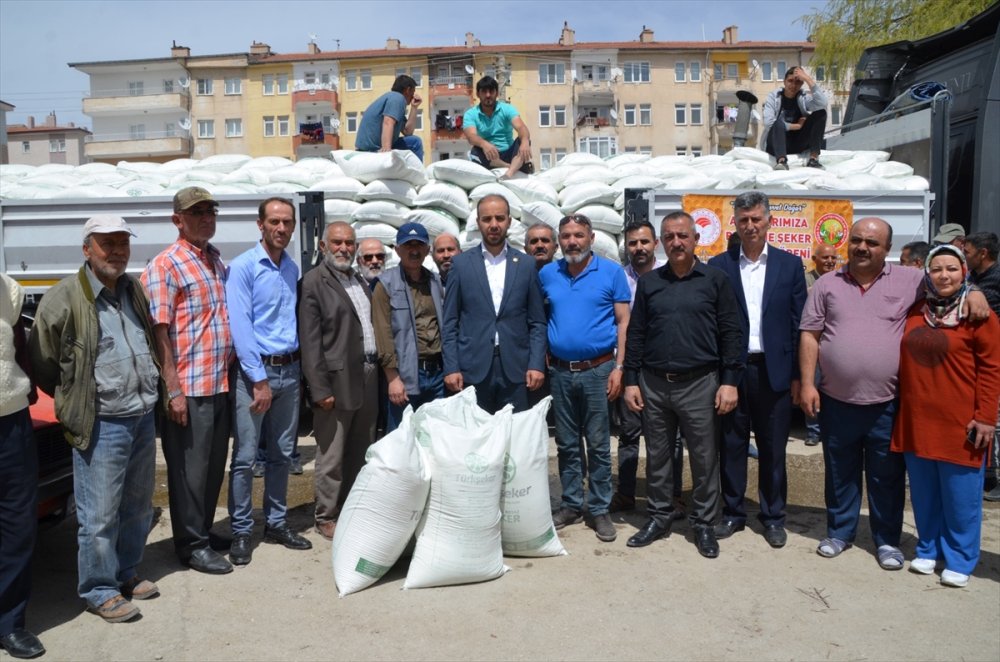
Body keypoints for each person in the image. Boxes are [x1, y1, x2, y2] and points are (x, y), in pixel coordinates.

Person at [798, 217, 988, 569]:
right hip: (836, 399)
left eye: (872, 243)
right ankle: (840, 532)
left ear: (887, 250)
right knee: (840, 472)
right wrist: (808, 383)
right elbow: (810, 334)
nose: (862, 247)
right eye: (857, 240)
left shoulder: (910, 280)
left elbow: (949, 280)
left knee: (886, 476)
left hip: (888, 403)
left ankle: (887, 541)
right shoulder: (827, 284)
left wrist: (974, 290)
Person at [30, 215, 160, 622]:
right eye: (108, 243)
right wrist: (76, 401)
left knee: (137, 505)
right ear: (87, 249)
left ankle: (125, 572)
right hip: (101, 422)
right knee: (99, 513)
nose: (118, 251)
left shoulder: (133, 288)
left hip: (141, 415)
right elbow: (44, 364)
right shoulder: (65, 297)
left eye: (123, 242)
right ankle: (98, 589)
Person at [623, 211, 743, 558]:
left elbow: (730, 333)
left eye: (683, 236)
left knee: (704, 459)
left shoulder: (715, 280)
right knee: (658, 456)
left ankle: (704, 524)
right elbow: (637, 334)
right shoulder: (650, 283)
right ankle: (659, 517)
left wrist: (729, 382)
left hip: (700, 384)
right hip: (655, 384)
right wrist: (632, 380)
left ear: (696, 239)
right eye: (670, 237)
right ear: (662, 242)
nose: (677, 242)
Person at [891, 245, 1000, 587]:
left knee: (961, 497)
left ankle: (960, 557)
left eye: (951, 268)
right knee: (924, 493)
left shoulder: (979, 315)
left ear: (965, 271)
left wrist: (985, 417)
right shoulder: (916, 310)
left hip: (961, 422)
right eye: (936, 269)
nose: (944, 275)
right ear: (927, 273)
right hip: (917, 418)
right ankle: (928, 547)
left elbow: (992, 369)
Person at [143, 187, 234, 575]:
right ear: (177, 219)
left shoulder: (214, 260)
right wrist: (173, 390)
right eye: (196, 213)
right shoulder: (167, 265)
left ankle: (202, 530)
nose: (206, 218)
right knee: (188, 471)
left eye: (210, 211)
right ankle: (191, 544)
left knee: (213, 466)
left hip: (219, 382)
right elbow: (159, 332)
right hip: (190, 387)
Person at [708, 192, 807, 549]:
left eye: (756, 219)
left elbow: (799, 325)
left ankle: (773, 517)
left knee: (773, 448)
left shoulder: (790, 266)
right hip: (734, 373)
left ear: (769, 222)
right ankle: (733, 512)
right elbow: (713, 326)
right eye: (744, 220)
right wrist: (723, 378)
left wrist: (799, 376)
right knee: (731, 445)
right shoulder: (719, 266)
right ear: (734, 222)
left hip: (774, 372)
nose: (750, 226)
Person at [224, 198, 312, 566]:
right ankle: (242, 530)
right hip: (255, 374)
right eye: (274, 221)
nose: (281, 228)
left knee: (281, 455)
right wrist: (258, 380)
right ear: (259, 225)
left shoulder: (291, 268)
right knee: (245, 457)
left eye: (287, 222)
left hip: (289, 372)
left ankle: (276, 523)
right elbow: (241, 327)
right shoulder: (243, 268)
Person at [539, 213, 630, 543]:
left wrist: (620, 368)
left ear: (591, 238)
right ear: (559, 241)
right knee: (565, 442)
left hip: (599, 370)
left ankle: (600, 507)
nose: (572, 241)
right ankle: (571, 503)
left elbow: (623, 323)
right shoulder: (549, 274)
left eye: (578, 235)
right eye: (566, 236)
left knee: (598, 443)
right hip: (561, 372)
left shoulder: (610, 272)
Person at [298, 222, 378, 541]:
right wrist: (319, 389)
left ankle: (352, 507)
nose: (344, 248)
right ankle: (326, 514)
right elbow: (311, 341)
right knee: (331, 451)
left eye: (349, 243)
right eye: (337, 242)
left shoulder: (358, 278)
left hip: (366, 376)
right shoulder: (314, 283)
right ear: (322, 246)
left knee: (361, 448)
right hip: (335, 381)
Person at [442, 195, 547, 414]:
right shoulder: (461, 265)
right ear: (478, 222)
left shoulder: (526, 265)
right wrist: (451, 367)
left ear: (509, 221)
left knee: (514, 437)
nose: (493, 225)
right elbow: (450, 322)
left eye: (499, 218)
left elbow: (537, 322)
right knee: (477, 440)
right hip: (473, 369)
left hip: (516, 369)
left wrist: (536, 364)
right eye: (487, 219)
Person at [1, 274, 45, 658]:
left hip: (12, 422)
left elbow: (19, 350)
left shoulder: (9, 290)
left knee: (17, 525)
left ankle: (10, 623)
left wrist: (29, 392)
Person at [610, 220, 666, 513]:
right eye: (633, 243)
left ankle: (669, 497)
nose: (639, 248)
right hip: (630, 367)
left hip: (662, 368)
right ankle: (626, 493)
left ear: (655, 243)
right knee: (629, 434)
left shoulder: (669, 275)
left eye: (644, 242)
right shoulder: (619, 278)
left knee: (667, 436)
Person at [373, 223, 445, 432]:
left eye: (419, 245)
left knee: (434, 437)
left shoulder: (435, 282)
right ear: (397, 250)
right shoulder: (385, 284)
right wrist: (392, 378)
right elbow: (383, 334)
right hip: (405, 376)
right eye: (408, 246)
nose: (414, 251)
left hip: (437, 374)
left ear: (427, 250)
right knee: (401, 439)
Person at [963, 231, 1000, 501]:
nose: (965, 256)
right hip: (978, 361)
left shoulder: (995, 280)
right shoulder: (975, 279)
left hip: (993, 359)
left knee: (995, 422)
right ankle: (987, 473)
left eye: (968, 252)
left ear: (982, 253)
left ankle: (994, 477)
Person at [803, 243, 839, 445]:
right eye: (825, 258)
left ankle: (830, 428)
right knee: (813, 385)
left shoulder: (841, 279)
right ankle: (813, 430)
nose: (830, 262)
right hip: (813, 343)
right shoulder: (806, 280)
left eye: (833, 258)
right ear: (814, 260)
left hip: (834, 344)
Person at [463, 75, 533, 179]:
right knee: (475, 151)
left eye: (491, 91)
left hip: (509, 153)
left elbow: (521, 127)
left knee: (523, 140)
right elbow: (471, 136)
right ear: (478, 94)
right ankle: (510, 166)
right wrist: (484, 144)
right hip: (489, 155)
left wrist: (525, 141)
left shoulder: (507, 109)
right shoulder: (471, 114)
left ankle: (509, 174)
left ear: (497, 94)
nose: (488, 95)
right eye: (484, 91)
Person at [761, 65, 828, 170]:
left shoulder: (803, 98)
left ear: (801, 84)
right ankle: (782, 162)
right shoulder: (773, 97)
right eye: (790, 81)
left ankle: (813, 159)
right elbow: (768, 123)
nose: (793, 85)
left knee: (821, 113)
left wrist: (807, 78)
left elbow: (822, 103)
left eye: (797, 82)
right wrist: (796, 126)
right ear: (784, 81)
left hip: (797, 143)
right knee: (777, 122)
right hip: (776, 143)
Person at [355, 75, 423, 161]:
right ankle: (418, 174)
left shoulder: (392, 100)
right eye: (413, 92)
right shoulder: (397, 98)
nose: (413, 96)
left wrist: (414, 107)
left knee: (414, 141)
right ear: (408, 90)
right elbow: (388, 122)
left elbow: (407, 132)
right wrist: (386, 152)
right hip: (371, 149)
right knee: (415, 143)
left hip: (368, 147)